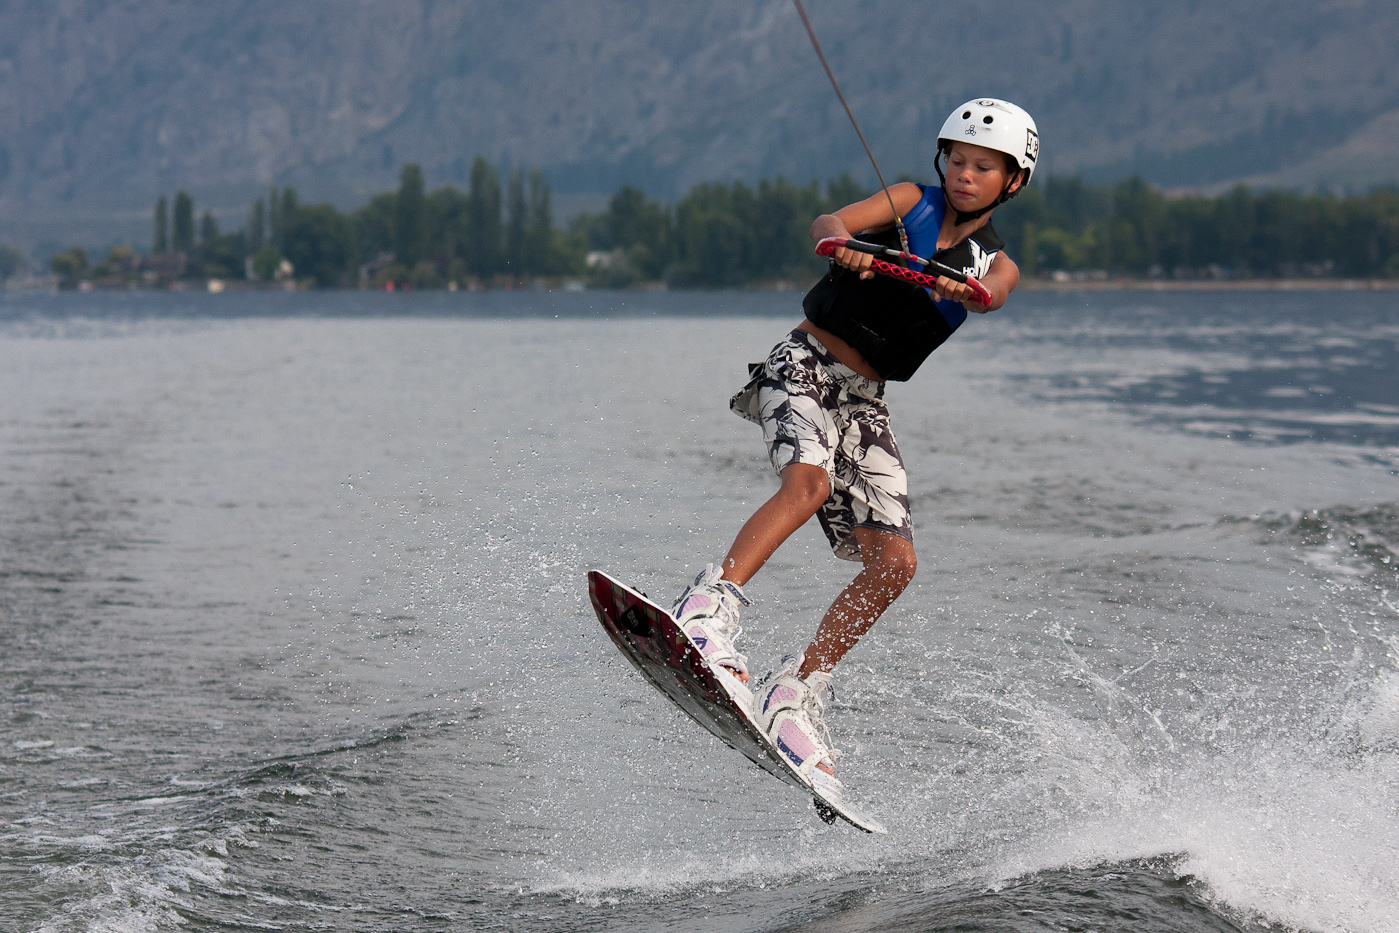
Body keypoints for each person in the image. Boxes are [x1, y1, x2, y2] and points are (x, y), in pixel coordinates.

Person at [670, 99, 1039, 801]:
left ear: (1012, 181)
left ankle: (796, 688)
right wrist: (843, 243)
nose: (965, 175)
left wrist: (963, 288)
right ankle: (707, 608)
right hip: (804, 364)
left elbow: (992, 294)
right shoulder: (909, 200)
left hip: (864, 401)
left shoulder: (999, 265)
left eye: (983, 168)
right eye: (957, 160)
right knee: (806, 484)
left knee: (895, 563)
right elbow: (828, 220)